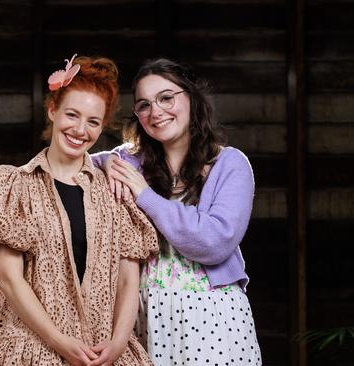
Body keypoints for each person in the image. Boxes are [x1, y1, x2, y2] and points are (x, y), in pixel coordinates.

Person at [0, 54, 158, 366]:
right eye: (72, 115)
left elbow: (127, 279)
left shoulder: (114, 192)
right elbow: (10, 279)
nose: (80, 130)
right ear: (53, 110)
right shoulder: (13, 186)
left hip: (103, 351)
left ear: (102, 125)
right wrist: (59, 341)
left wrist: (119, 342)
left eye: (93, 121)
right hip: (30, 348)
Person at [92, 58, 262, 365]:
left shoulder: (231, 165)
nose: (155, 112)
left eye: (166, 97)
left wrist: (145, 196)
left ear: (192, 98)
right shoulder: (131, 163)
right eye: (144, 105)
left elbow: (213, 241)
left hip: (213, 320)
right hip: (144, 317)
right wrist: (106, 163)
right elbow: (83, 162)